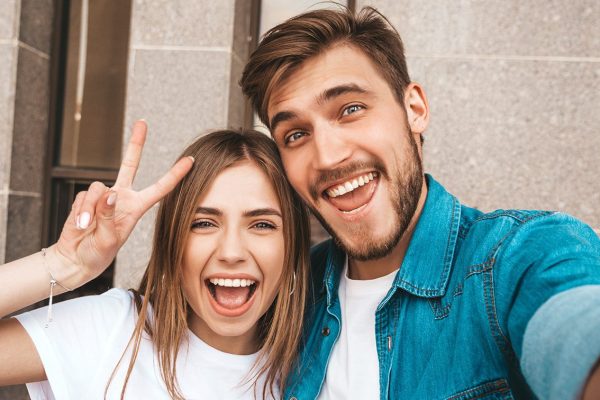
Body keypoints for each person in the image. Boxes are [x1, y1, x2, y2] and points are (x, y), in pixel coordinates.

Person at [240, 6, 600, 400]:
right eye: (295, 135)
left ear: (415, 109)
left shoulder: (517, 255)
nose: (326, 156)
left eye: (351, 109)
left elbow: (574, 321)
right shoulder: (289, 291)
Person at [0, 121, 310, 399]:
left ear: (292, 249)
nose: (232, 252)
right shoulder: (116, 331)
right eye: (203, 223)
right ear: (173, 243)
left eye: (262, 225)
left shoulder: (316, 369)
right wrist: (64, 264)